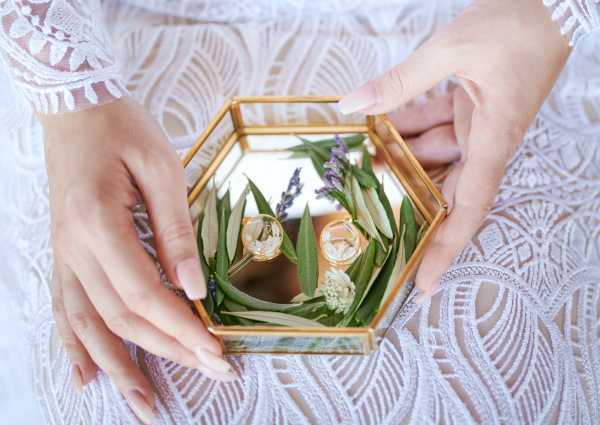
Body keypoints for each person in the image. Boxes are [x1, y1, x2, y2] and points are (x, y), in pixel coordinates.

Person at [1, 0, 598, 423]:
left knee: (521, 385)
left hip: (476, 40)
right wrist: (69, 93)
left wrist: (548, 15)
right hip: (129, 58)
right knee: (129, 380)